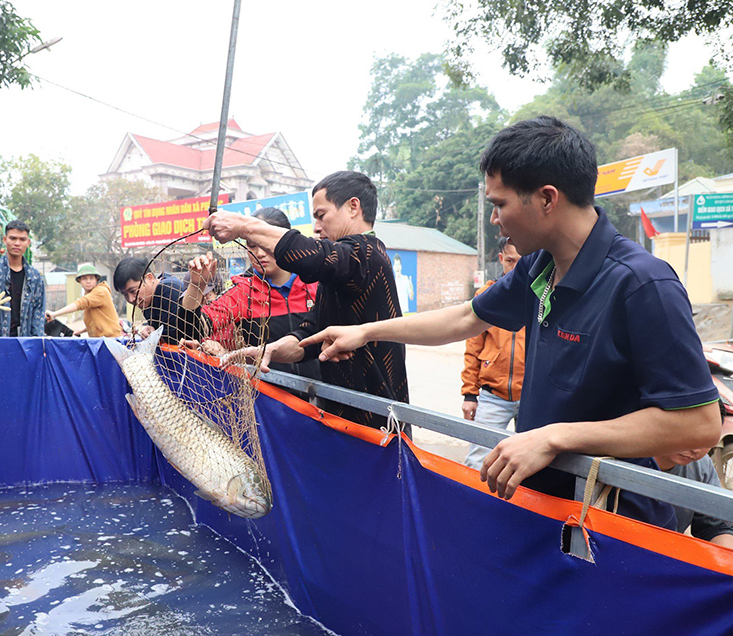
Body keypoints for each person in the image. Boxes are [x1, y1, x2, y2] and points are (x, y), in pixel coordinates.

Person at [297, 117, 721, 528]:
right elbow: (467, 317)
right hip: (541, 502)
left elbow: (697, 422)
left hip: (610, 522)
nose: (495, 220)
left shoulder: (642, 284)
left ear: (547, 199)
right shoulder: (539, 266)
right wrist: (368, 331)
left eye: (499, 204)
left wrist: (555, 437)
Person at [203, 170, 409, 429]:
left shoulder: (367, 254)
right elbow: (310, 335)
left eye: (321, 215)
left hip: (378, 425)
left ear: (353, 207)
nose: (316, 227)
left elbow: (317, 256)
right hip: (340, 418)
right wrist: (271, 350)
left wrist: (245, 226)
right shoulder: (336, 275)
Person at [184, 208, 321, 381]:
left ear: (287, 239)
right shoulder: (241, 292)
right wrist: (196, 286)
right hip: (270, 400)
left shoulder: (316, 283)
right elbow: (190, 329)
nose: (260, 253)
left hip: (327, 397)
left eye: (266, 244)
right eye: (252, 245)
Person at [461, 237, 526, 469]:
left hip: (531, 398)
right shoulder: (488, 295)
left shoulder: (542, 296)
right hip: (492, 397)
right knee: (478, 460)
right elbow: (472, 348)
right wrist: (470, 395)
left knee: (533, 468)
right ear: (501, 259)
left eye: (522, 261)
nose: (516, 267)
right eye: (510, 260)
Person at [653, 448, 733, 548]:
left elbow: (715, 528)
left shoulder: (701, 466)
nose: (696, 450)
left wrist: (725, 559)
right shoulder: (630, 457)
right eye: (686, 433)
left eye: (706, 441)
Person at [112, 256, 202, 345]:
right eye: (125, 294)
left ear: (149, 278)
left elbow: (176, 338)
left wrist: (155, 334)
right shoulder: (146, 299)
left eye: (133, 291)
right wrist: (151, 329)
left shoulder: (169, 289)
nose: (130, 299)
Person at [46, 264, 122, 338]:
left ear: (96, 280)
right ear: (79, 281)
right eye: (84, 278)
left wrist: (55, 314)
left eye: (91, 278)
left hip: (111, 339)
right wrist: (81, 331)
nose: (88, 281)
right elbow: (97, 322)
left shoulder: (101, 292)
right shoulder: (89, 295)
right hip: (98, 340)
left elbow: (80, 303)